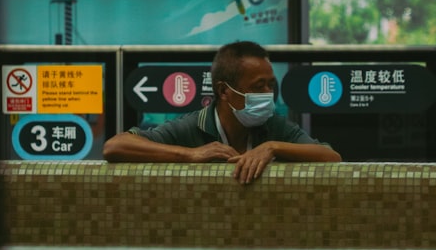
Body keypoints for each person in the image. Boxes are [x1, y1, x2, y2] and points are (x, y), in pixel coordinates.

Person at [103, 40, 341, 183]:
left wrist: (271, 147)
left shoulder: (273, 126)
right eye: (258, 86)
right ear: (224, 91)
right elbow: (115, 146)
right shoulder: (194, 125)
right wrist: (190, 155)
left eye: (271, 84)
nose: (268, 93)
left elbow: (331, 157)